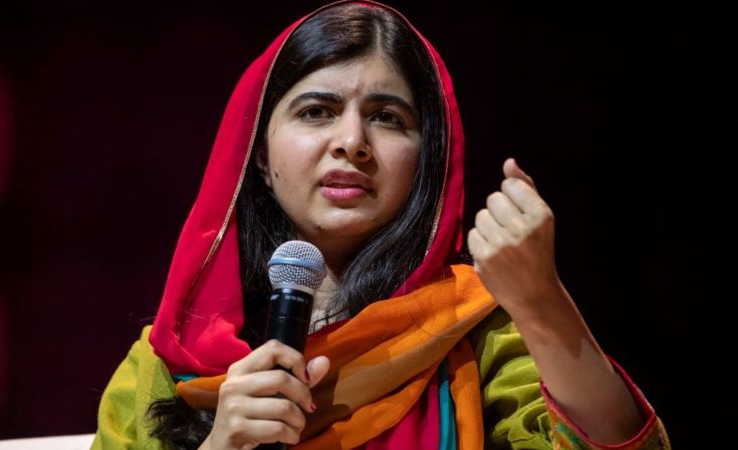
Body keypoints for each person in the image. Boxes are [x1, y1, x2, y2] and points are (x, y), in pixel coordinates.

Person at [92, 1, 670, 449]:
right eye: (316, 112)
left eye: (387, 118)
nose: (351, 141)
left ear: (426, 162)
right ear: (259, 156)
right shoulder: (171, 359)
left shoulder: (471, 333)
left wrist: (542, 302)